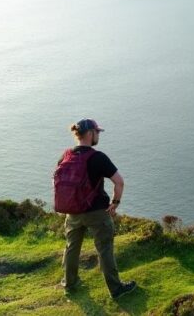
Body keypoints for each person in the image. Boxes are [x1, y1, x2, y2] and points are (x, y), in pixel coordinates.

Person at [54, 118, 137, 299]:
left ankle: (69, 282)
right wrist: (115, 203)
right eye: (97, 132)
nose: (98, 135)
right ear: (90, 133)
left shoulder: (65, 155)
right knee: (105, 248)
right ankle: (116, 289)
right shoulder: (98, 157)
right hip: (97, 212)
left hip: (73, 212)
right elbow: (119, 182)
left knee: (71, 247)